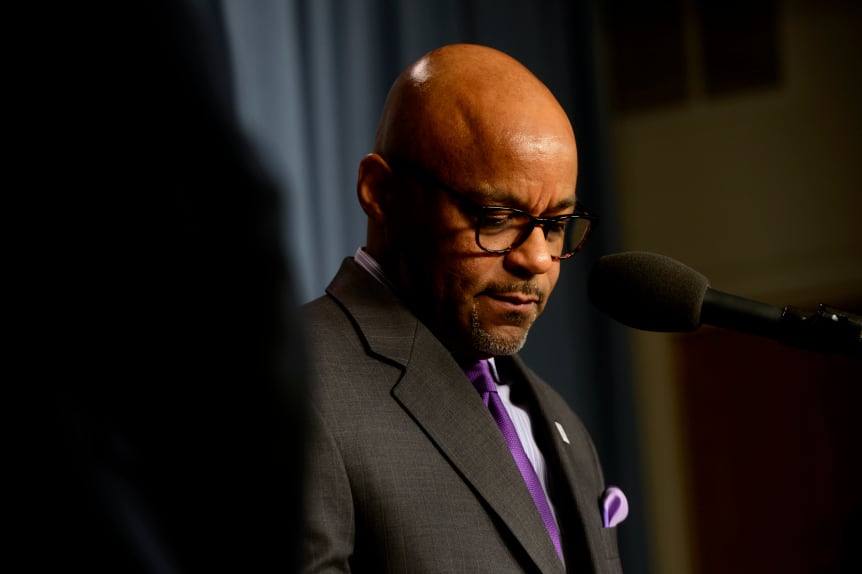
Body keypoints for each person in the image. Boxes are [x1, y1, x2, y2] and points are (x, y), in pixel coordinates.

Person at [302, 43, 623, 573]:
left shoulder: (559, 421)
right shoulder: (290, 384)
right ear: (380, 192)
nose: (537, 258)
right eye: (497, 217)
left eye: (556, 225)